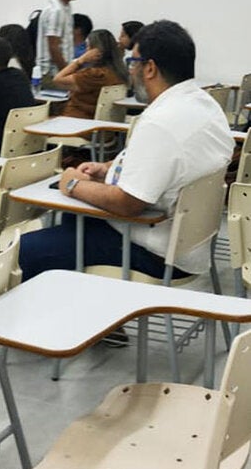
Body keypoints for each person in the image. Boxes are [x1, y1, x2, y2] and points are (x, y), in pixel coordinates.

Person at [18, 20, 233, 282]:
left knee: (24, 251)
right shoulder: (205, 106)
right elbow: (168, 161)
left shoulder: (160, 123)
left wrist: (72, 183)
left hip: (154, 251)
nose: (131, 71)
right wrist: (108, 168)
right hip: (190, 245)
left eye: (133, 62)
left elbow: (127, 204)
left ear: (150, 68)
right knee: (73, 220)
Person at [54, 28, 127, 119]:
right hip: (96, 120)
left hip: (75, 118)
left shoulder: (94, 74)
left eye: (88, 46)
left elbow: (58, 80)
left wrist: (80, 61)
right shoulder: (119, 73)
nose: (86, 50)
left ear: (95, 51)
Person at [36, 0, 79, 83]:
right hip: (52, 73)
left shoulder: (66, 8)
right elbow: (53, 47)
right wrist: (66, 72)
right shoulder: (56, 11)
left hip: (60, 70)